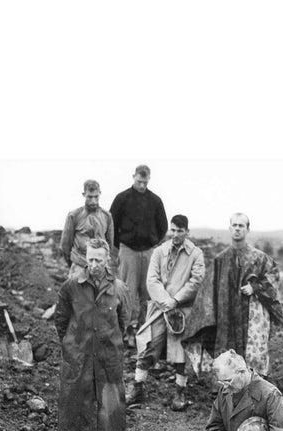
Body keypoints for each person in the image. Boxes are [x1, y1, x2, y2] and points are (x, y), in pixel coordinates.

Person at [54, 238, 129, 431]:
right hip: (81, 352)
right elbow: (61, 320)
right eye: (90, 259)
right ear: (85, 258)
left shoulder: (118, 287)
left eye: (99, 259)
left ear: (108, 259)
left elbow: (124, 320)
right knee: (83, 397)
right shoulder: (71, 286)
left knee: (108, 398)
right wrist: (72, 345)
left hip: (108, 354)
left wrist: (110, 341)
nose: (94, 264)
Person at [184, 213, 283, 378]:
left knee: (253, 356)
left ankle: (254, 387)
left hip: (251, 314)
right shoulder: (220, 260)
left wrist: (256, 287)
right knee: (226, 354)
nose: (238, 229)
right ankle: (225, 389)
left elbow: (273, 277)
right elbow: (208, 291)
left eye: (241, 226)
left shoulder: (259, 258)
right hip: (227, 316)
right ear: (230, 228)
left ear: (248, 229)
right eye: (235, 225)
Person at [125, 215, 205, 411]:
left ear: (187, 231)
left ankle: (180, 391)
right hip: (159, 309)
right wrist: (164, 302)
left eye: (180, 231)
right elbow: (151, 280)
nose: (176, 234)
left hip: (182, 310)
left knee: (180, 351)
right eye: (173, 230)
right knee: (148, 343)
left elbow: (196, 281)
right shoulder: (160, 252)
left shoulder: (195, 254)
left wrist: (175, 301)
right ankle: (138, 387)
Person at [109, 165, 168, 347]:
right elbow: (112, 224)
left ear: (149, 179)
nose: (142, 185)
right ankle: (125, 332)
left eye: (145, 182)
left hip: (148, 252)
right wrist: (121, 246)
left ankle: (144, 331)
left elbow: (163, 226)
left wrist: (153, 244)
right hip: (128, 251)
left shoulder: (155, 201)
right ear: (133, 177)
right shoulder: (122, 198)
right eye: (139, 181)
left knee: (148, 293)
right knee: (126, 292)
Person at [59, 179, 115, 280]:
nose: (93, 200)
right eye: (90, 197)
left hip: (101, 269)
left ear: (100, 194)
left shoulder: (107, 216)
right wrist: (75, 263)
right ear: (84, 194)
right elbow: (65, 246)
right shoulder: (74, 216)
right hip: (80, 266)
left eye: (96, 196)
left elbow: (109, 245)